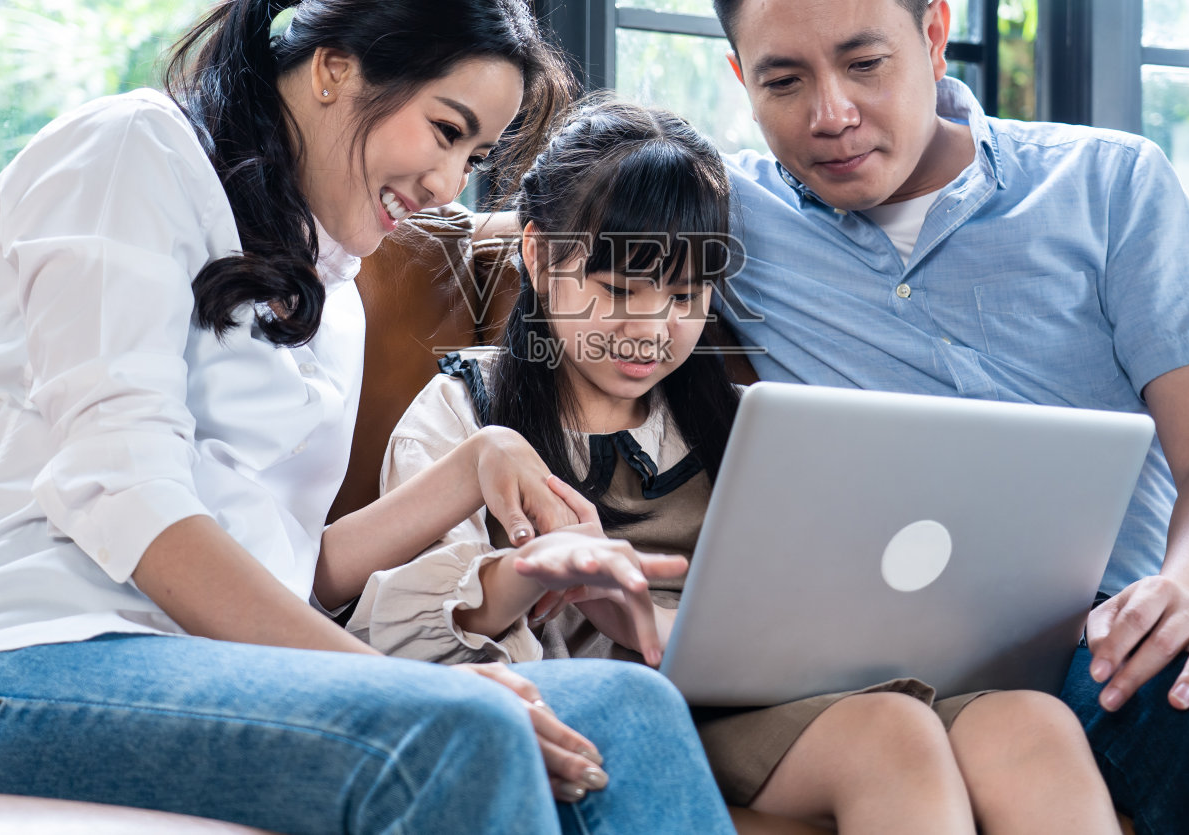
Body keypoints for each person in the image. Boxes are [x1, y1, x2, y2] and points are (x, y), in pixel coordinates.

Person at [0, 0, 737, 835]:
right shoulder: (131, 151)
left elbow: (290, 570)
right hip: (8, 662)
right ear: (333, 69)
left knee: (632, 711)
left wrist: (475, 462)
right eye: (445, 129)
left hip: (206, 665)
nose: (445, 186)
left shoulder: (336, 287)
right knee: (461, 726)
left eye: (471, 159)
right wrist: (392, 682)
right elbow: (126, 496)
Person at [700, 0, 1189, 832]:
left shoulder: (1108, 186)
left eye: (865, 63)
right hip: (1006, 686)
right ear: (741, 79)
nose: (830, 113)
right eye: (783, 80)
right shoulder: (717, 220)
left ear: (934, 35)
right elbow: (528, 224)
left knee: (1167, 661)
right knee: (1142, 680)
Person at [346, 96, 1120, 834]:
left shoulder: (740, 420)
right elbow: (394, 636)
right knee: (892, 736)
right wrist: (534, 572)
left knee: (1034, 721)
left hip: (785, 687)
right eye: (616, 289)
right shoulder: (467, 412)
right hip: (652, 712)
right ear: (539, 254)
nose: (649, 329)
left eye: (685, 298)